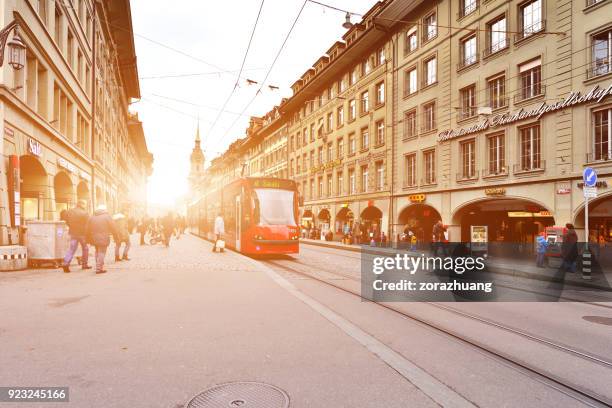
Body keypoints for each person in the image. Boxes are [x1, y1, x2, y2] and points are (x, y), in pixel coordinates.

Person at [61, 200, 91, 273]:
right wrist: (88, 234)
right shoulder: (85, 213)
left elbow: (66, 221)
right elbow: (88, 224)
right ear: (82, 204)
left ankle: (65, 263)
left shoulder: (70, 211)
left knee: (71, 249)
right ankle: (84, 264)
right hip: (82, 234)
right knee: (85, 248)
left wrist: (71, 227)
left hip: (73, 233)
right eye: (85, 204)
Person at [86, 204, 117, 274]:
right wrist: (116, 237)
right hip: (103, 237)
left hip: (94, 237)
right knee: (102, 252)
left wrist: (88, 238)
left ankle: (99, 266)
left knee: (97, 251)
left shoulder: (92, 217)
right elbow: (113, 227)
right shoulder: (107, 217)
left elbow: (87, 228)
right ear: (104, 210)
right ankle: (99, 268)